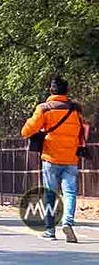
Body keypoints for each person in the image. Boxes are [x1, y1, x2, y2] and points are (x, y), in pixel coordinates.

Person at [21, 76, 86, 243]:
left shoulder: (44, 108)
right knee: (70, 192)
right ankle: (67, 222)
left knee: (51, 194)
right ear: (67, 91)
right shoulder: (75, 109)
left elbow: (27, 131)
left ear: (51, 90)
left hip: (50, 157)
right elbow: (83, 129)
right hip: (71, 157)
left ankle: (50, 231)